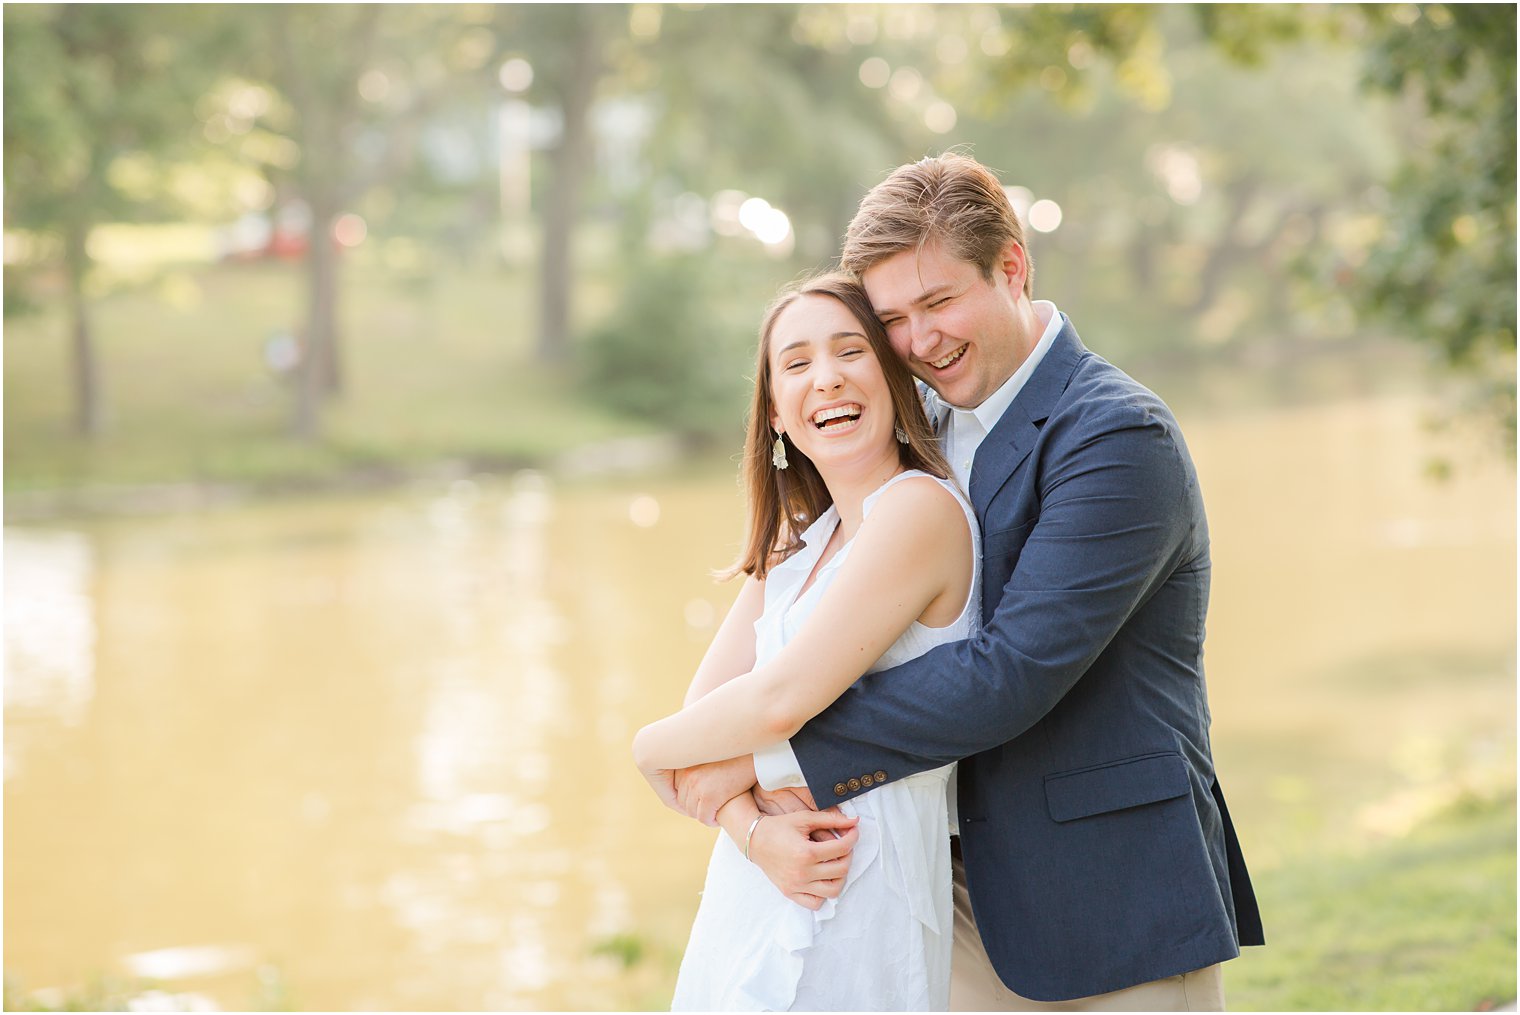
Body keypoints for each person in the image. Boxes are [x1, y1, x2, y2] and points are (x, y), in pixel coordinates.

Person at [661, 153, 1264, 1010]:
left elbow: (1007, 675)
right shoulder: (917, 425)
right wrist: (748, 816)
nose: (919, 340)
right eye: (895, 318)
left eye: (939, 302)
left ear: (1012, 266)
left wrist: (765, 750)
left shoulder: (1118, 436)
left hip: (1103, 893)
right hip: (931, 889)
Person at [632, 271, 981, 1010]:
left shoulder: (918, 511)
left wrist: (643, 749)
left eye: (850, 351)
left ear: (892, 377)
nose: (826, 378)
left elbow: (777, 702)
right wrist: (753, 832)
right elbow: (705, 715)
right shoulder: (799, 545)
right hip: (765, 877)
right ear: (775, 413)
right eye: (795, 363)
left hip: (864, 879)